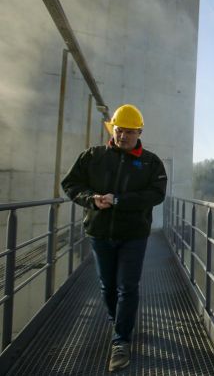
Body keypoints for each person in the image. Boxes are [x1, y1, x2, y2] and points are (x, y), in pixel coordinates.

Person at [62, 104, 167, 372]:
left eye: (129, 133)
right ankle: (118, 320)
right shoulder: (93, 156)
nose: (123, 137)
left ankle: (121, 341)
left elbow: (156, 194)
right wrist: (91, 200)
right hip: (99, 232)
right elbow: (70, 184)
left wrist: (119, 200)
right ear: (113, 129)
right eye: (119, 131)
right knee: (107, 286)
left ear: (139, 132)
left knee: (127, 287)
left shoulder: (150, 163)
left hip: (133, 235)